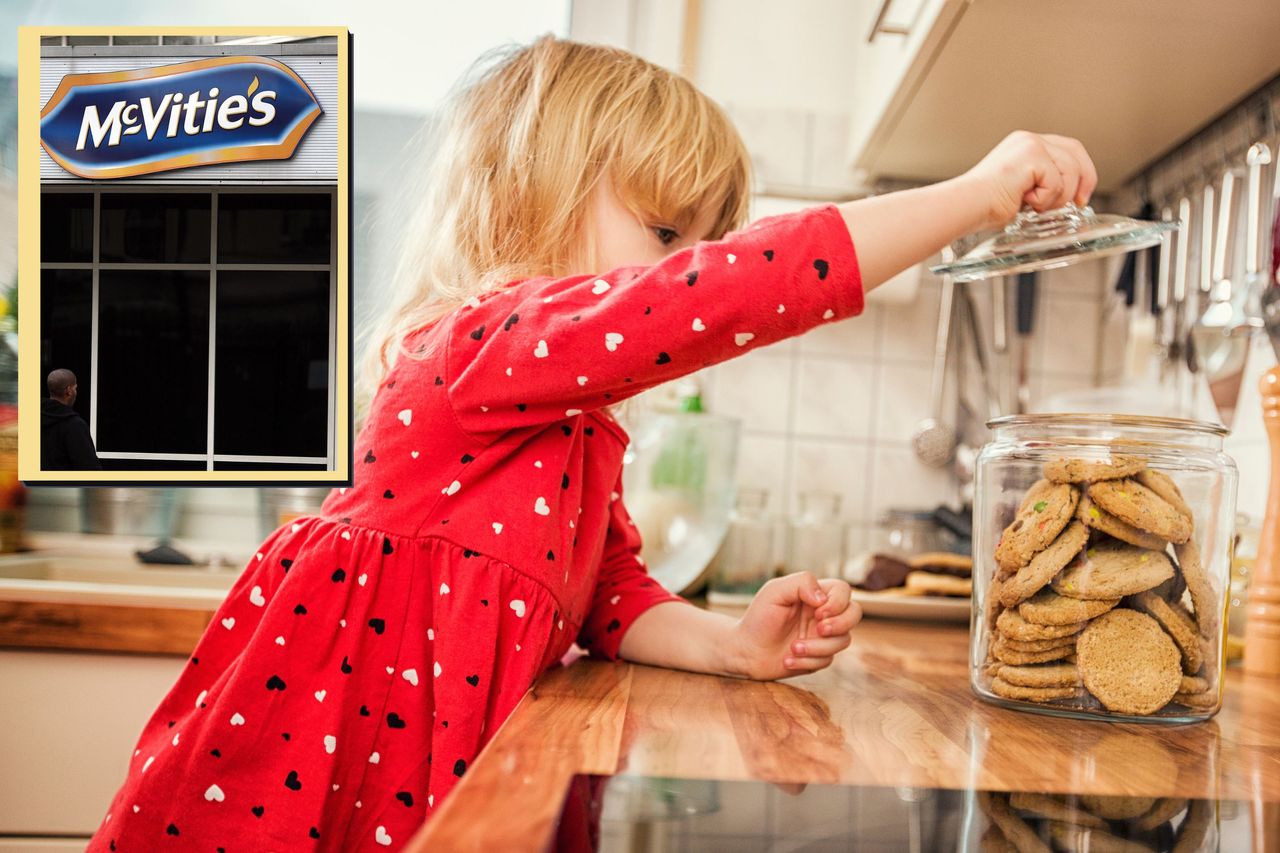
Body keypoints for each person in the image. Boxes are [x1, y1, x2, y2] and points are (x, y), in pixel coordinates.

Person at [86, 36, 1096, 852]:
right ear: (524, 193)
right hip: (323, 763)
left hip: (455, 768)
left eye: (698, 242)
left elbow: (610, 597)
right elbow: (708, 300)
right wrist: (975, 192)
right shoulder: (480, 345)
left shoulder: (572, 427)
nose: (683, 267)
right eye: (666, 234)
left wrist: (732, 647)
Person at [41, 368, 102, 470]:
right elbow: (90, 470)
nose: (76, 392)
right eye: (75, 388)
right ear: (69, 391)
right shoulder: (74, 425)